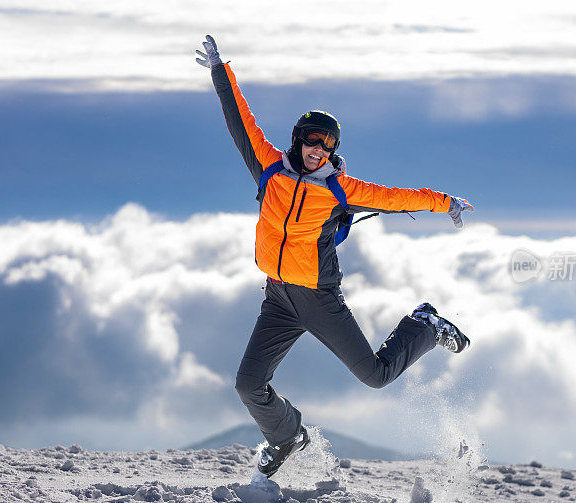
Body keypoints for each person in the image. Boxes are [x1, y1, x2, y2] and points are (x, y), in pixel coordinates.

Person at [196, 35, 473, 477]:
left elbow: (398, 197)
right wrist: (219, 71)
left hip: (320, 299)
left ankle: (423, 324)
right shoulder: (269, 169)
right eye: (311, 140)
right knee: (248, 385)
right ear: (298, 140)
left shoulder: (339, 190)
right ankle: (287, 436)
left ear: (332, 150)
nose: (317, 149)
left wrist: (445, 202)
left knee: (376, 376)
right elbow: (240, 122)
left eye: (326, 144)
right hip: (279, 298)